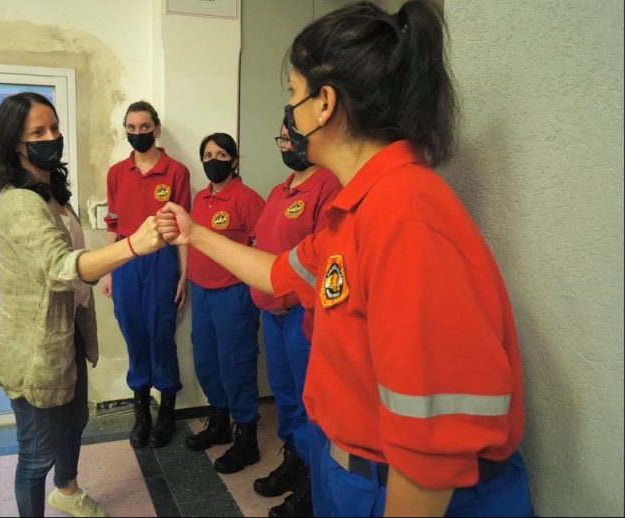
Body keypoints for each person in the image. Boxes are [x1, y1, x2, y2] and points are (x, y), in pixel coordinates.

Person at [158, 1, 535, 516]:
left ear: (325, 103)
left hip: (402, 491)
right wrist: (195, 233)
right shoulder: (358, 208)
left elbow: (431, 450)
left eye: (293, 94)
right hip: (352, 474)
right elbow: (277, 272)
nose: (289, 112)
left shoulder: (406, 219)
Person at [0, 92, 166, 517]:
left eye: (54, 128)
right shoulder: (18, 201)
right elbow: (60, 266)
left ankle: (66, 492)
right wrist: (133, 245)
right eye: (37, 132)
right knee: (36, 455)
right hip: (34, 351)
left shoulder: (51, 191)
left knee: (74, 425)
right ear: (16, 142)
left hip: (64, 338)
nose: (51, 137)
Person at [250, 123, 340, 518]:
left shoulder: (327, 185)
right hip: (273, 313)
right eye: (281, 138)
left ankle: (312, 486)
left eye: (290, 138)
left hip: (301, 312)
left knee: (308, 401)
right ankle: (295, 461)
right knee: (285, 395)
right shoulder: (279, 190)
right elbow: (261, 245)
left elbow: (323, 259)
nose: (284, 145)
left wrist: (287, 294)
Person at [101, 100, 191, 449]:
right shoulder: (116, 173)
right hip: (124, 259)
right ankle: (142, 412)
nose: (138, 133)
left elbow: (184, 229)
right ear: (126, 130)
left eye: (144, 127)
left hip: (162, 260)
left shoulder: (176, 172)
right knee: (134, 334)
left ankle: (166, 410)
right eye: (131, 128)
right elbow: (112, 223)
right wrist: (108, 268)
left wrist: (183, 274)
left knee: (161, 333)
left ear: (156, 128)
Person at [183, 133, 265, 475]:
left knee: (236, 366)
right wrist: (183, 279)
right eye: (207, 154)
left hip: (233, 294)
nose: (212, 160)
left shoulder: (248, 199)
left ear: (234, 161)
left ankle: (247, 440)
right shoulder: (200, 198)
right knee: (206, 362)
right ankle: (219, 422)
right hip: (201, 292)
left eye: (220, 154)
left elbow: (263, 249)